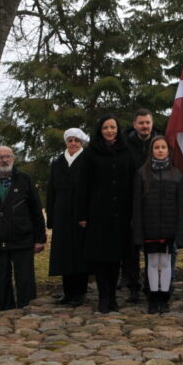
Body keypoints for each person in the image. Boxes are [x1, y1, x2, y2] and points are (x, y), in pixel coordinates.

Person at [79, 115, 136, 314]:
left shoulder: (126, 151)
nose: (110, 131)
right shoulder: (90, 154)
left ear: (118, 129)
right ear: (100, 130)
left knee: (116, 258)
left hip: (121, 214)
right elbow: (83, 185)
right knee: (100, 258)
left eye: (113, 127)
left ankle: (113, 296)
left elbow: (132, 182)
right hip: (98, 214)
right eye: (106, 128)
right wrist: (83, 215)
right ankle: (103, 296)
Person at [0, 146, 47, 310]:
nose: (4, 160)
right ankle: (6, 311)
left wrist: (40, 238)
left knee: (25, 279)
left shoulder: (24, 179)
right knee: (2, 280)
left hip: (22, 239)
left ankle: (28, 310)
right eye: (0, 157)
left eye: (7, 156)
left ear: (13, 158)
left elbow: (35, 209)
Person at [132, 136, 183, 314]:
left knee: (166, 262)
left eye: (163, 147)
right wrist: (138, 233)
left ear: (168, 151)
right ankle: (153, 298)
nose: (160, 150)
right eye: (157, 147)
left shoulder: (176, 174)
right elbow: (137, 207)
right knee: (153, 263)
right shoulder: (142, 173)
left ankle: (164, 297)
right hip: (150, 228)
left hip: (169, 229)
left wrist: (180, 234)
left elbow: (181, 207)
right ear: (152, 151)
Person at [47, 128, 90, 307]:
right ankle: (68, 291)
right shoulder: (57, 163)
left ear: (81, 143)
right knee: (64, 253)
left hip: (81, 213)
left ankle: (80, 292)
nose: (73, 143)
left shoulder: (87, 161)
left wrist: (88, 214)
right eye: (70, 140)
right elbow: (51, 191)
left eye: (76, 141)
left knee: (80, 253)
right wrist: (51, 217)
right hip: (62, 212)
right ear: (66, 142)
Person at [124, 109, 161, 304]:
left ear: (152, 123)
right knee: (131, 249)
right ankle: (133, 287)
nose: (145, 126)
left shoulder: (160, 144)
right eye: (141, 123)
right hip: (130, 202)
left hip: (153, 202)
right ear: (135, 124)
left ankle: (150, 285)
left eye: (147, 122)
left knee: (152, 247)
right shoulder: (125, 144)